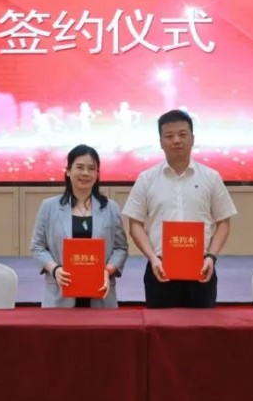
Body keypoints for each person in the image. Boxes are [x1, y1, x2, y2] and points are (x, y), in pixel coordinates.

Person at [123, 109, 237, 308]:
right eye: (169, 136)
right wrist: (152, 258)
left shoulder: (211, 177)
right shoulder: (146, 178)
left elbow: (223, 222)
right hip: (160, 268)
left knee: (202, 326)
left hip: (202, 268)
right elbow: (135, 224)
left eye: (182, 134)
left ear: (192, 138)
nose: (176, 140)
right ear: (160, 142)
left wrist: (211, 257)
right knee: (159, 326)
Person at [31, 144, 128, 308]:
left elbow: (121, 248)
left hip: (101, 295)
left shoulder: (110, 208)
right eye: (80, 167)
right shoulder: (49, 207)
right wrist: (55, 269)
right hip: (60, 294)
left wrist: (108, 270)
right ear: (68, 171)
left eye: (91, 168)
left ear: (97, 174)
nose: (85, 173)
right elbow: (37, 247)